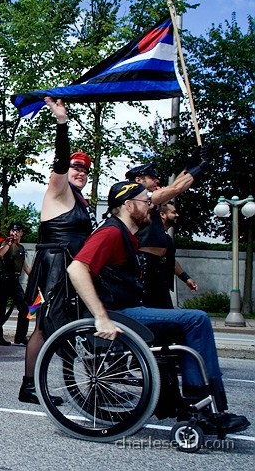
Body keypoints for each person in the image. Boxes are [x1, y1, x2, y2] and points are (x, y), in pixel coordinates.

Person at [67, 181, 250, 435]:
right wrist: (101, 317)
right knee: (197, 319)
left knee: (189, 325)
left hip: (130, 309)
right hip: (120, 313)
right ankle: (200, 407)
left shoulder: (127, 235)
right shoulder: (110, 233)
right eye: (146, 201)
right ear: (128, 205)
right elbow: (76, 268)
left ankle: (197, 404)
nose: (151, 206)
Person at [18, 98, 94, 404]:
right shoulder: (58, 190)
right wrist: (62, 124)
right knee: (44, 324)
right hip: (52, 267)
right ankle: (29, 386)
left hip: (71, 267)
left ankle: (79, 383)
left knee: (69, 323)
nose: (80, 171)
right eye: (77, 166)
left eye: (85, 169)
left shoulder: (81, 201)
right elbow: (60, 163)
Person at [124, 162, 203, 308]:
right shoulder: (139, 197)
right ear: (138, 180)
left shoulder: (150, 200)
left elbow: (174, 188)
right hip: (144, 264)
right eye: (152, 177)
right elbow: (175, 188)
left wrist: (190, 165)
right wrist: (198, 167)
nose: (157, 181)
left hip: (156, 265)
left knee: (164, 312)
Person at [142, 201, 199, 308]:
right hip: (150, 289)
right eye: (173, 212)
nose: (177, 215)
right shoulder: (151, 235)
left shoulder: (166, 238)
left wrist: (186, 278)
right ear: (162, 215)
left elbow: (170, 260)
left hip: (161, 288)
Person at [0, 222, 32, 346]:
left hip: (15, 280)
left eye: (17, 231)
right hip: (4, 279)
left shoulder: (21, 248)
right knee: (1, 309)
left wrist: (35, 276)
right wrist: (9, 243)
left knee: (25, 308)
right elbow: (0, 254)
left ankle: (20, 336)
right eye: (12, 231)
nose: (14, 233)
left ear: (21, 233)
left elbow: (24, 266)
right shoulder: (6, 244)